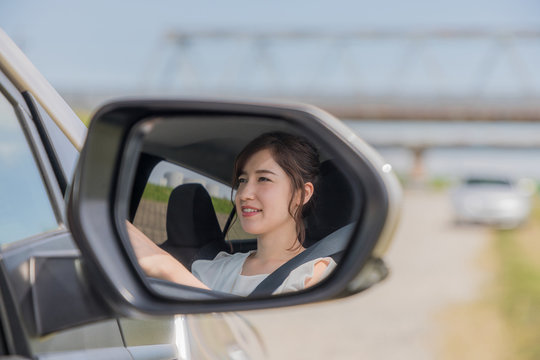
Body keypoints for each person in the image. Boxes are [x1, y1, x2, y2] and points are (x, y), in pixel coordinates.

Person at [128, 132, 337, 296]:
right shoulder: (216, 267)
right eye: (242, 181)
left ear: (302, 194)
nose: (244, 194)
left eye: (264, 179)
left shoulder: (316, 275)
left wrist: (166, 267)